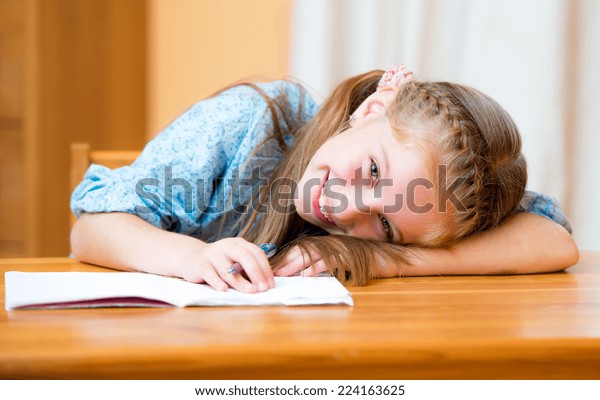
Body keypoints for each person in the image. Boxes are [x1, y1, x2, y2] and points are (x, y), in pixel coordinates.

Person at [70, 65, 579, 294]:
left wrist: (388, 260)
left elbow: (553, 240)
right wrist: (190, 257)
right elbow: (91, 228)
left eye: (384, 224)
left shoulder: (447, 195)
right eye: (373, 170)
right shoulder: (253, 122)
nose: (346, 206)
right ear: (374, 108)